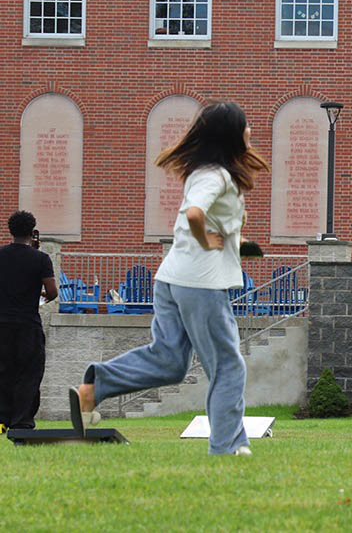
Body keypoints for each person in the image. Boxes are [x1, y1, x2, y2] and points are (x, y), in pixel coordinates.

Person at [70, 101, 269, 455]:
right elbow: (194, 213)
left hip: (173, 279)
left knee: (169, 360)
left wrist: (235, 242)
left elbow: (204, 216)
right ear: (232, 134)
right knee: (227, 366)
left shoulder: (205, 172)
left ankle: (95, 387)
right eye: (246, 124)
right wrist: (206, 239)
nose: (250, 129)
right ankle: (227, 447)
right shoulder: (215, 175)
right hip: (201, 285)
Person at [0, 211, 57, 433]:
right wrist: (39, 295)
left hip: (2, 323)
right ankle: (22, 421)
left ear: (10, 230)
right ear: (32, 232)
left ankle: (2, 419)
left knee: (3, 371)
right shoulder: (40, 258)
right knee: (29, 373)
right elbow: (52, 292)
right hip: (27, 324)